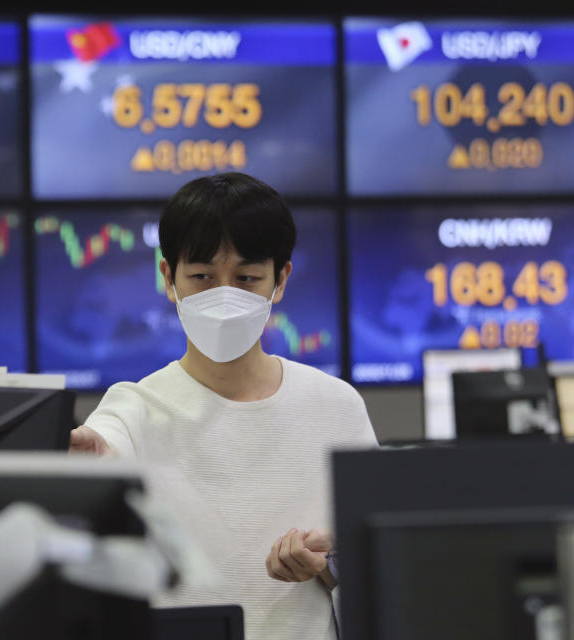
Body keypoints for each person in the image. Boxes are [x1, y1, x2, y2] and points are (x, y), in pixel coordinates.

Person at [70, 172, 378, 640]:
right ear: (168, 278)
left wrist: (329, 564)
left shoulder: (336, 406)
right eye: (202, 277)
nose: (224, 297)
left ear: (281, 279)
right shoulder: (131, 410)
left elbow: (383, 574)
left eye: (247, 278)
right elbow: (100, 462)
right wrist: (87, 476)